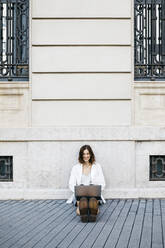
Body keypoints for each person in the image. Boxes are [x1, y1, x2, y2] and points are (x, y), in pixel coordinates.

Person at [66, 145, 106, 222]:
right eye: (84, 154)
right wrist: (79, 191)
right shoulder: (75, 168)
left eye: (87, 153)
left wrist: (96, 189)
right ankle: (82, 209)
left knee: (93, 199)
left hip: (93, 193)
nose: (86, 156)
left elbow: (103, 183)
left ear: (91, 154)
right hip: (80, 194)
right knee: (82, 199)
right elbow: (71, 184)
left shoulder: (97, 166)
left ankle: (93, 209)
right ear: (81, 155)